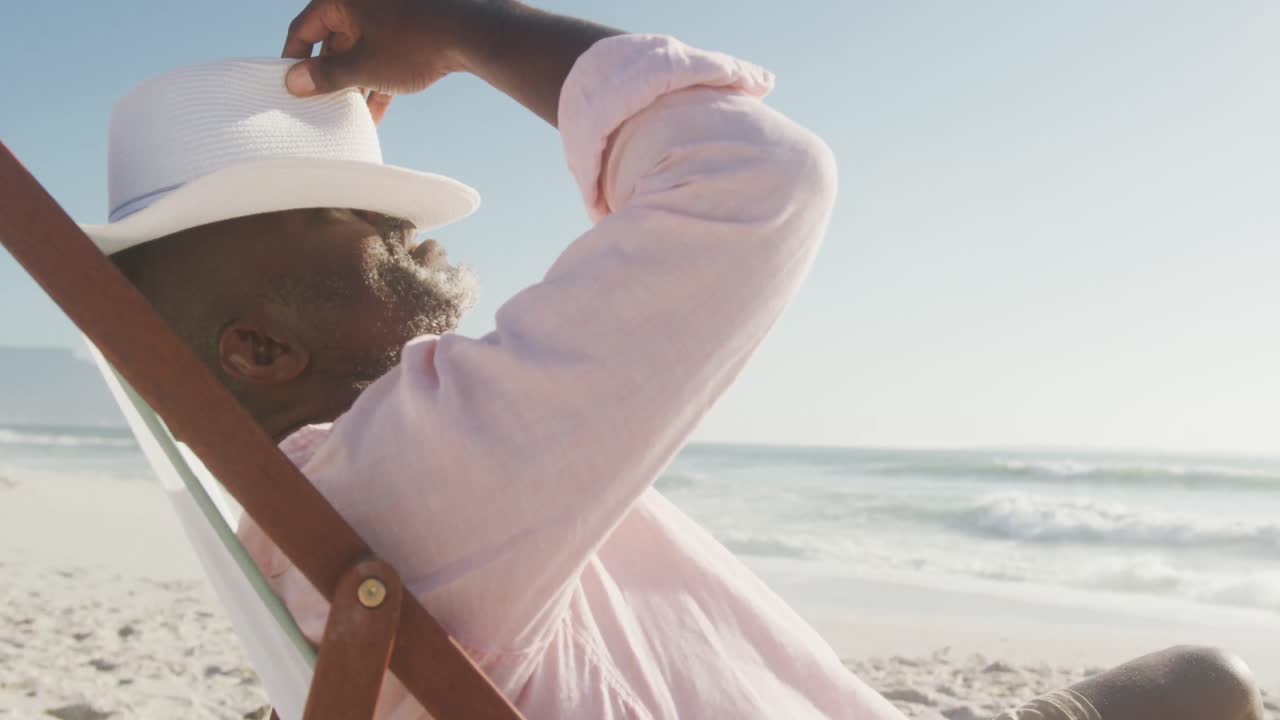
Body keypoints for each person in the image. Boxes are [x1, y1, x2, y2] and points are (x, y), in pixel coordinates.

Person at [91, 1, 1263, 718]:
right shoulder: (403, 474)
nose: (417, 235)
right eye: (355, 222)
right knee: (1209, 687)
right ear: (255, 344)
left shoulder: (341, 496)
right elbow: (750, 174)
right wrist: (460, 23)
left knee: (1199, 680)